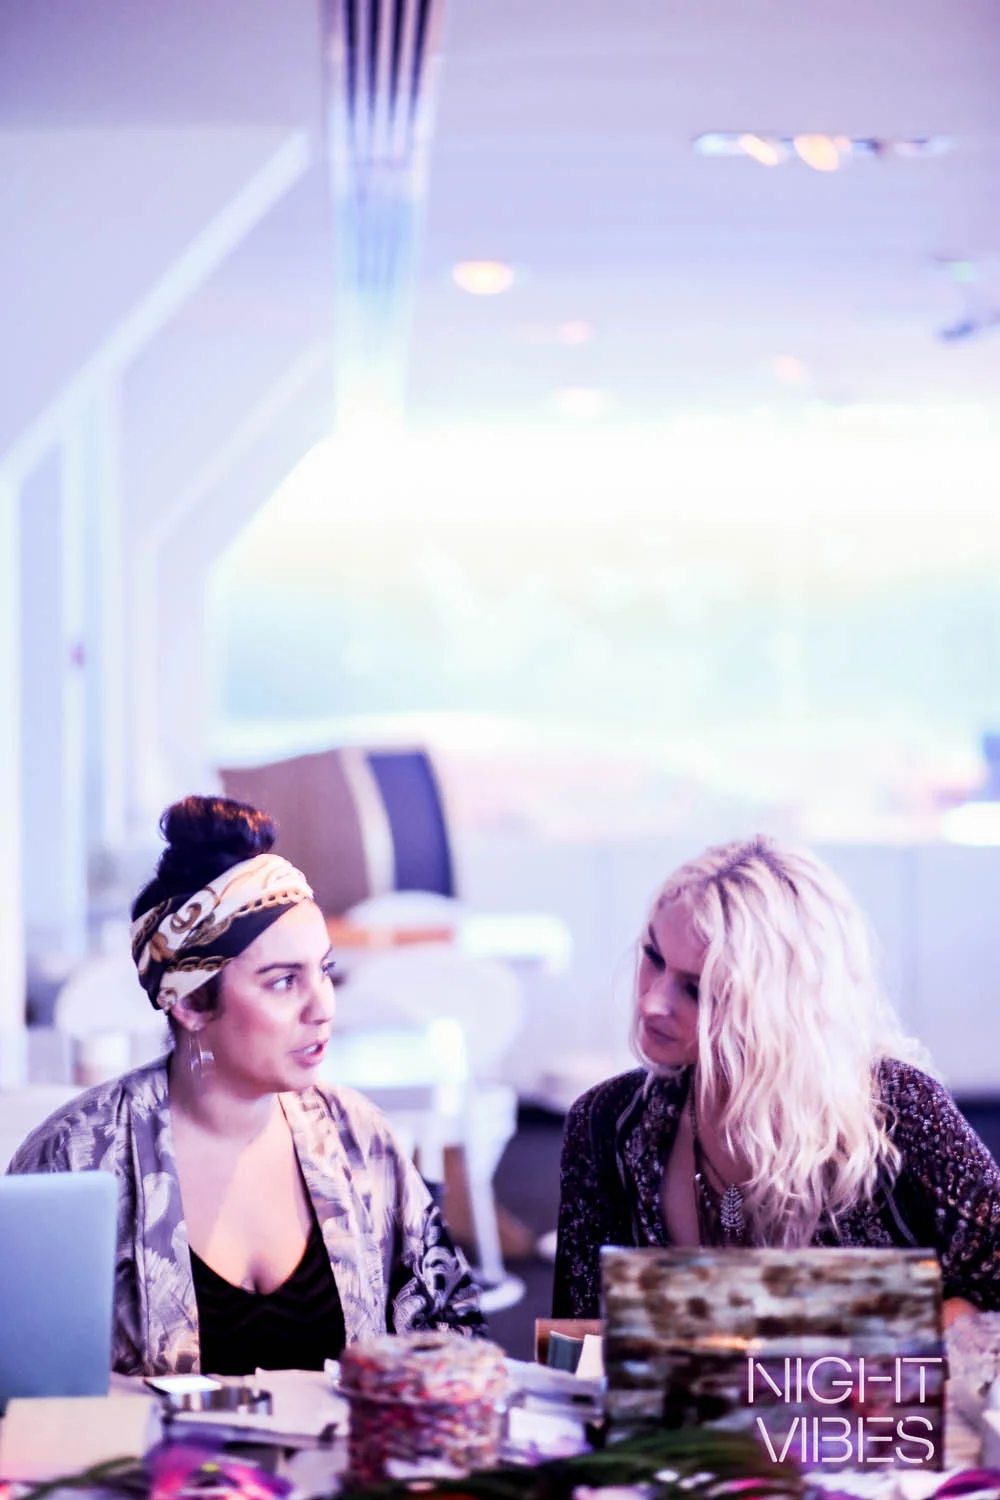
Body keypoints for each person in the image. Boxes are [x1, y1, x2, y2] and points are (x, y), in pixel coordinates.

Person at [9, 795, 483, 1375]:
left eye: (325, 971)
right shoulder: (77, 1157)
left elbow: (453, 1341)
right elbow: (20, 1377)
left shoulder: (358, 1139)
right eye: (283, 981)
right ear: (190, 1003)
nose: (323, 1007)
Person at [553, 834, 1000, 1324]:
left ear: (780, 1005)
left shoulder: (896, 1108)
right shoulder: (606, 1122)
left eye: (697, 989)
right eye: (653, 958)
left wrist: (886, 1340)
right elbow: (578, 1339)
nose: (652, 1003)